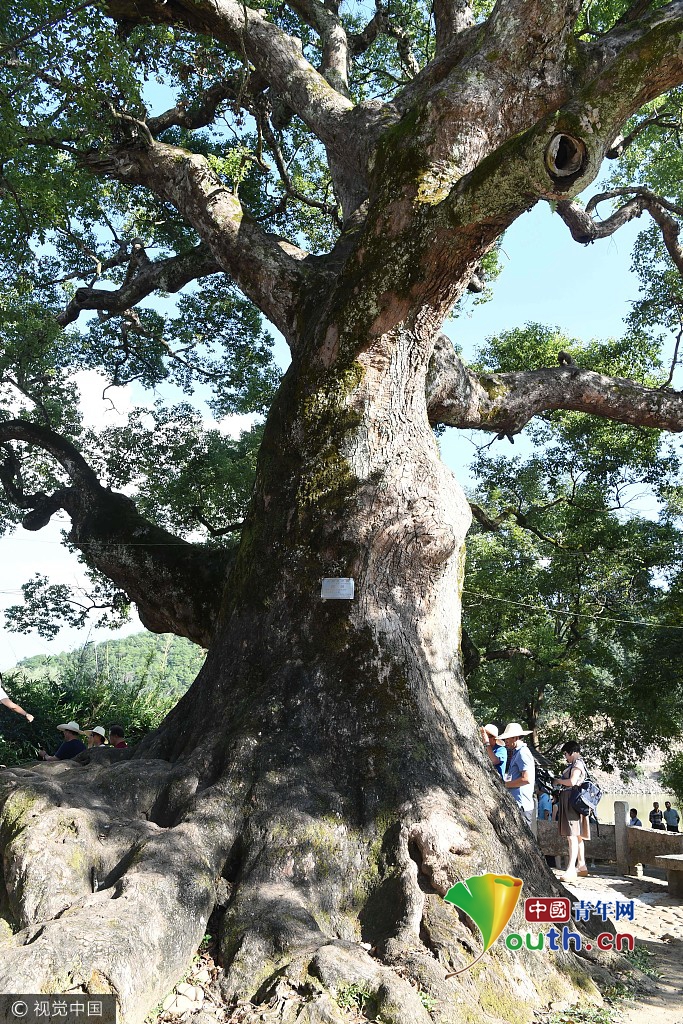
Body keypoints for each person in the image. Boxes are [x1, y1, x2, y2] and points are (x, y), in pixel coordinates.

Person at [553, 740, 590, 881]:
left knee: (572, 836)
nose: (566, 757)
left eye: (566, 754)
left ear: (572, 752)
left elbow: (572, 782)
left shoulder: (577, 764)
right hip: (574, 802)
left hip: (571, 802)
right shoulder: (577, 764)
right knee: (578, 835)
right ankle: (581, 865)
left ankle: (571, 870)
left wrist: (558, 780)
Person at [498, 722, 535, 825]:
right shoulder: (517, 753)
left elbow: (526, 779)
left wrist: (506, 785)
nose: (506, 741)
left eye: (507, 739)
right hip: (518, 804)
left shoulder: (522, 753)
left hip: (522, 805)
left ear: (515, 737)